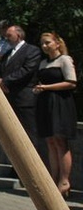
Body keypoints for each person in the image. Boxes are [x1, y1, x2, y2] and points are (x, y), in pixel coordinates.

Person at [32, 32, 77, 197]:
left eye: (47, 43)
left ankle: (64, 180)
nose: (44, 46)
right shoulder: (43, 63)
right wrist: (40, 89)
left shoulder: (65, 60)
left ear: (57, 43)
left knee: (60, 140)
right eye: (42, 44)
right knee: (50, 141)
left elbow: (71, 82)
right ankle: (54, 177)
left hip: (60, 103)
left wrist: (47, 88)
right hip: (45, 103)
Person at [0, 25, 42, 150]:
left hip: (24, 99)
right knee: (14, 136)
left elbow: (27, 70)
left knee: (29, 134)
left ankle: (33, 168)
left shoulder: (32, 50)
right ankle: (16, 168)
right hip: (8, 98)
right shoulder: (7, 55)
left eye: (9, 35)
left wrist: (5, 81)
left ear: (19, 35)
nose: (6, 38)